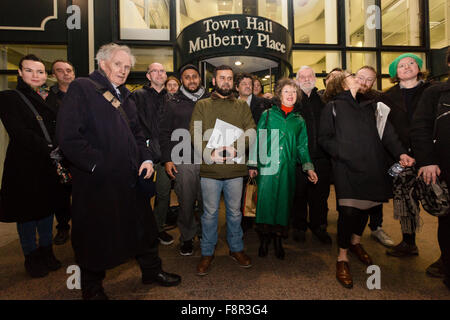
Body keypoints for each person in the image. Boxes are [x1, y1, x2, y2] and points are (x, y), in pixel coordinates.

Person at [56, 43, 181, 300]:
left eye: (127, 67)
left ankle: (151, 271)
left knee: (144, 229)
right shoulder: (83, 88)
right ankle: (92, 288)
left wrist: (146, 159)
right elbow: (68, 138)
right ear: (102, 63)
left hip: (130, 178)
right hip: (97, 182)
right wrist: (97, 166)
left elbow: (138, 133)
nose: (123, 71)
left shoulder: (125, 94)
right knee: (96, 235)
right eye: (118, 64)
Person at [319, 71, 414, 289]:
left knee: (368, 207)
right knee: (349, 211)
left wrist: (401, 153)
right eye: (352, 76)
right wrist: (343, 152)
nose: (358, 79)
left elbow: (388, 134)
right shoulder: (332, 106)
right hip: (346, 168)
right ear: (342, 84)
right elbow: (324, 139)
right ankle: (342, 257)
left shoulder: (372, 106)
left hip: (373, 165)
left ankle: (355, 242)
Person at [190, 65, 256, 276]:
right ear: (214, 81)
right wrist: (210, 153)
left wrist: (234, 147)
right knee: (209, 214)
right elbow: (195, 131)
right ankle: (207, 252)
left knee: (235, 213)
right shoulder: (202, 105)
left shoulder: (242, 105)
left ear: (233, 83)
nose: (226, 82)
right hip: (211, 169)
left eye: (229, 79)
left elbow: (252, 131)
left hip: (235, 170)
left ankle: (236, 249)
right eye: (222, 78)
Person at [0, 54, 62, 278]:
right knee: (26, 214)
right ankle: (31, 256)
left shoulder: (51, 97)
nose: (35, 75)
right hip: (24, 165)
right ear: (19, 72)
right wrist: (51, 147)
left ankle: (47, 251)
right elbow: (18, 132)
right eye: (29, 70)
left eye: (40, 71)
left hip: (48, 165)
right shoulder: (9, 97)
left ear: (46, 75)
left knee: (46, 210)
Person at [249, 78, 318, 260]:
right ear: (279, 95)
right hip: (267, 168)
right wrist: (253, 164)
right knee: (265, 204)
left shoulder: (299, 120)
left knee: (283, 205)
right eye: (287, 91)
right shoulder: (268, 115)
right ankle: (264, 241)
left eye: (294, 92)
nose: (290, 95)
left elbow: (303, 146)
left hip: (288, 169)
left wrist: (308, 167)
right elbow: (259, 140)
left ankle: (279, 241)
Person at [382, 53, 432, 258]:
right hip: (400, 156)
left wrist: (429, 157)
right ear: (396, 73)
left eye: (411, 63)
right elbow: (386, 127)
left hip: (430, 156)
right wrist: (400, 153)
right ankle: (408, 241)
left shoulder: (433, 91)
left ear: (419, 68)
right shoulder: (388, 96)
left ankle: (444, 255)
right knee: (403, 198)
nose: (407, 67)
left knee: (438, 200)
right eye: (401, 65)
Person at [410, 48, 450, 288]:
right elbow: (420, 128)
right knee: (448, 221)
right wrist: (426, 160)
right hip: (444, 168)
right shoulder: (436, 93)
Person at [160, 64, 209, 256]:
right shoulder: (172, 102)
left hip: (207, 160)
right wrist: (167, 159)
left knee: (208, 203)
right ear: (182, 80)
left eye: (194, 76)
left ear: (200, 79)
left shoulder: (210, 100)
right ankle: (187, 238)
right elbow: (164, 133)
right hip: (183, 159)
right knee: (186, 202)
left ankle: (206, 234)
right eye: (187, 77)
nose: (191, 80)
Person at [132, 62, 174, 246]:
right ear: (148, 76)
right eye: (154, 71)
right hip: (143, 154)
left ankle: (158, 228)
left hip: (166, 155)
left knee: (163, 195)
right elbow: (132, 124)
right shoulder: (137, 96)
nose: (159, 73)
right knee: (141, 195)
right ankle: (139, 230)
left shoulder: (173, 98)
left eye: (162, 71)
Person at [354, 65, 395, 247]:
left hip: (375, 156)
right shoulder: (345, 97)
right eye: (361, 77)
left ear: (373, 83)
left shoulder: (380, 100)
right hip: (351, 157)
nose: (364, 82)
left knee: (376, 196)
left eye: (369, 79)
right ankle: (352, 234)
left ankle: (376, 227)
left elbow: (388, 130)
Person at [291, 66, 332, 244]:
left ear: (315, 78)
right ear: (297, 79)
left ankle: (319, 226)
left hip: (321, 157)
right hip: (298, 159)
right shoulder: (292, 101)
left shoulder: (324, 100)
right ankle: (299, 227)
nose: (306, 79)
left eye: (310, 76)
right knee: (298, 195)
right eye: (302, 76)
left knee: (320, 196)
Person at [235, 73, 271, 233]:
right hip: (235, 152)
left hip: (256, 151)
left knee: (255, 186)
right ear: (237, 87)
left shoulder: (263, 103)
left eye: (250, 83)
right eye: (244, 83)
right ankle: (240, 220)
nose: (248, 86)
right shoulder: (229, 103)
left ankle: (253, 219)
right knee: (237, 188)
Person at [46, 59, 76, 245]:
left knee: (82, 193)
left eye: (69, 70)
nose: (66, 74)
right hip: (58, 154)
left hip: (79, 152)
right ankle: (63, 227)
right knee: (61, 194)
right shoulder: (47, 98)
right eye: (60, 71)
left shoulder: (83, 95)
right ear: (53, 75)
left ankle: (83, 226)